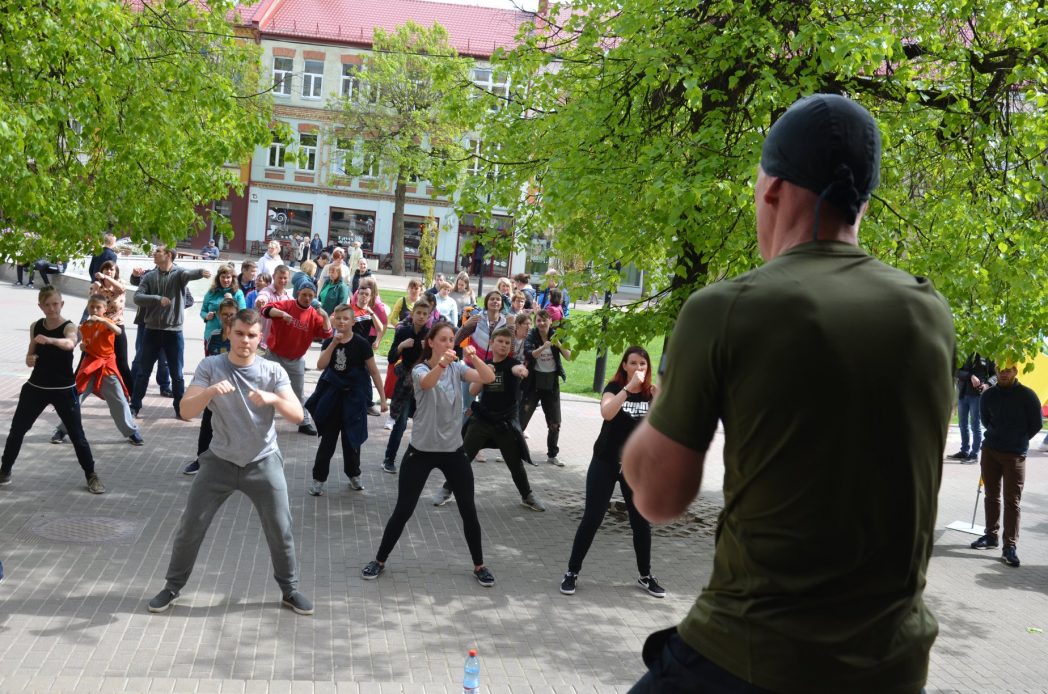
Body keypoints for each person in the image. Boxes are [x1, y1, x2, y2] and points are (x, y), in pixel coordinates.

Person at [621, 94, 955, 693]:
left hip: (752, 656)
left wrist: (652, 415)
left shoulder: (726, 309)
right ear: (862, 202)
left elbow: (659, 498)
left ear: (771, 188)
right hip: (892, 668)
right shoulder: (928, 312)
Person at [146, 309, 314, 616]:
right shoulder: (211, 366)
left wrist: (274, 399)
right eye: (239, 334)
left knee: (281, 528)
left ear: (260, 338)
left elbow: (298, 415)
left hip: (263, 461)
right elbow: (185, 411)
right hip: (219, 462)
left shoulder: (272, 371)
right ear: (229, 334)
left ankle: (289, 590)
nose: (245, 341)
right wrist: (210, 391)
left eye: (251, 335)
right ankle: (172, 587)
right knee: (190, 526)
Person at [360, 321, 497, 586]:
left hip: (453, 451)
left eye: (451, 340)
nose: (448, 344)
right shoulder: (420, 369)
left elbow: (488, 378)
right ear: (431, 343)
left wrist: (474, 358)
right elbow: (427, 382)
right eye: (443, 339)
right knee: (403, 509)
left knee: (468, 510)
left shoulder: (458, 368)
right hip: (421, 452)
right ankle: (379, 560)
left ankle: (479, 565)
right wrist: (442, 364)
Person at [560, 347, 662, 597]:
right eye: (633, 363)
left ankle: (645, 575)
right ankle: (572, 572)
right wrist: (628, 389)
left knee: (641, 522)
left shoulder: (651, 393)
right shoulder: (615, 388)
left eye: (643, 364)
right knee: (592, 518)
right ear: (624, 366)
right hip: (605, 462)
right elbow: (607, 413)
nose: (638, 368)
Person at [0, 287, 106, 494]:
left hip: (63, 390)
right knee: (17, 431)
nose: (52, 308)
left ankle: (91, 475)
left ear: (62, 304)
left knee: (77, 435)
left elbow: (69, 343)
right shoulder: (36, 326)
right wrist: (30, 359)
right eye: (47, 305)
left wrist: (50, 340)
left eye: (55, 304)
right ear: (40, 306)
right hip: (36, 387)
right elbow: (29, 357)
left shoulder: (69, 327)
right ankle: (4, 471)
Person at [432, 327, 546, 511]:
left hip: (505, 423)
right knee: (464, 457)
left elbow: (518, 369)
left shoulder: (512, 363)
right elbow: (472, 390)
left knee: (515, 463)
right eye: (500, 341)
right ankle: (447, 489)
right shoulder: (484, 364)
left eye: (507, 343)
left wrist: (522, 371)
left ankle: (527, 496)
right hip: (482, 420)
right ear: (492, 343)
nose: (503, 345)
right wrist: (484, 373)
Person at [304, 304, 388, 495]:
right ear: (333, 320)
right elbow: (320, 365)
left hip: (354, 398)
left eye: (346, 318)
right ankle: (318, 479)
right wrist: (333, 344)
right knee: (328, 440)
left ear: (352, 321)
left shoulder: (361, 344)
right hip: (333, 397)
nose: (341, 322)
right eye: (338, 318)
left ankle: (354, 474)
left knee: (352, 440)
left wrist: (382, 399)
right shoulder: (329, 342)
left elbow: (374, 371)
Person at [969, 362, 1042, 567]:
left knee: (1012, 501)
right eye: (1001, 370)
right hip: (990, 451)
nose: (1004, 374)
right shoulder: (989, 395)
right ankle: (991, 536)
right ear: (996, 371)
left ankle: (1009, 546)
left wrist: (1018, 439)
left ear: (1015, 371)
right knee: (991, 496)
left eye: (1008, 370)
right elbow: (985, 420)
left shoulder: (1028, 396)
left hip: (1015, 455)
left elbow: (1036, 424)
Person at [51, 294, 144, 447]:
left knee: (119, 401)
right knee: (75, 399)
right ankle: (61, 430)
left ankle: (131, 431)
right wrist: (81, 346)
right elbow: (79, 341)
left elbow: (118, 331)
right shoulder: (85, 326)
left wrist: (103, 320)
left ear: (105, 309)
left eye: (98, 307)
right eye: (92, 307)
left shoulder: (108, 323)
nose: (94, 310)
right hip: (90, 366)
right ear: (88, 308)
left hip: (107, 367)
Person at [130, 246, 211, 419]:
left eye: (158, 251)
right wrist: (157, 299)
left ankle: (180, 409)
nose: (154, 253)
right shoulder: (149, 276)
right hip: (151, 331)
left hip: (173, 333)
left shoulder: (178, 274)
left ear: (168, 255)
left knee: (177, 375)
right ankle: (134, 406)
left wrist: (201, 272)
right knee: (143, 372)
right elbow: (137, 297)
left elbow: (188, 274)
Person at [259, 282, 333, 435]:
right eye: (304, 294)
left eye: (310, 296)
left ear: (314, 297)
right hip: (274, 355)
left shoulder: (314, 315)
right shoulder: (287, 304)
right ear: (298, 293)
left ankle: (303, 422)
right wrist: (281, 314)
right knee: (267, 388)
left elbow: (327, 334)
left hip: (296, 359)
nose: (307, 298)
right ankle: (261, 420)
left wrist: (325, 316)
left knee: (298, 392)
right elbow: (265, 310)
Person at [183, 299, 240, 475]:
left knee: (235, 429)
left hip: (235, 394)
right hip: (214, 391)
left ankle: (236, 464)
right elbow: (208, 362)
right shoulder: (214, 336)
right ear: (219, 316)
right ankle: (201, 460)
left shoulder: (241, 338)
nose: (228, 318)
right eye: (225, 314)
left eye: (232, 314)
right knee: (207, 426)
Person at [381, 295, 435, 474]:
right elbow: (391, 358)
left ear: (429, 316)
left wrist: (428, 350)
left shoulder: (431, 335)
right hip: (406, 382)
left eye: (425, 314)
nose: (421, 316)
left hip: (424, 382)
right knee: (401, 422)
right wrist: (401, 346)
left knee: (422, 423)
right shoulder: (403, 331)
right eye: (418, 313)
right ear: (412, 314)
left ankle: (418, 462)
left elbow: (436, 362)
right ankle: (389, 459)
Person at [520, 310, 570, 467]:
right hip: (533, 382)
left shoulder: (557, 335)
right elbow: (529, 354)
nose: (541, 323)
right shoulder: (532, 335)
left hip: (551, 383)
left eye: (544, 320)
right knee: (522, 419)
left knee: (555, 422)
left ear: (550, 321)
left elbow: (569, 356)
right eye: (539, 321)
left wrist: (558, 344)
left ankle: (552, 455)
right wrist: (543, 347)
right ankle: (513, 451)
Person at [947, 353, 996, 463]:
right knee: (962, 424)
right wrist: (970, 376)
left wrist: (987, 384)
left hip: (977, 396)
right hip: (962, 394)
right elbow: (956, 371)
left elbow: (994, 375)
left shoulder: (987, 353)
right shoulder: (965, 350)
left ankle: (974, 454)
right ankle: (964, 451)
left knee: (975, 425)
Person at [91, 260, 132, 386]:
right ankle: (74, 390)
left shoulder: (120, 283)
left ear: (116, 272)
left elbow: (120, 289)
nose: (109, 271)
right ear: (102, 270)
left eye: (111, 269)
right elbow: (92, 306)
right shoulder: (97, 285)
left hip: (117, 326)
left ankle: (132, 392)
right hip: (100, 326)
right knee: (88, 357)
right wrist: (96, 289)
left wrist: (106, 277)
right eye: (106, 269)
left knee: (122, 362)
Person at [199, 264, 246, 349]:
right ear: (218, 278)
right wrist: (206, 316)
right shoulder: (211, 292)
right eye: (223, 277)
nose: (225, 280)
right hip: (211, 335)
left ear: (233, 278)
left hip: (231, 336)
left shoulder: (238, 293)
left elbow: (243, 314)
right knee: (211, 357)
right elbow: (203, 311)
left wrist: (232, 301)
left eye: (228, 277)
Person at [254, 265, 293, 351]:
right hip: (262, 343)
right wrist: (260, 301)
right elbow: (262, 297)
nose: (282, 280)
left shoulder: (289, 298)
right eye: (280, 278)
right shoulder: (266, 291)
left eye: (285, 278)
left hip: (277, 345)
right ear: (273, 276)